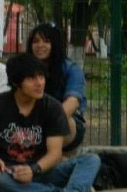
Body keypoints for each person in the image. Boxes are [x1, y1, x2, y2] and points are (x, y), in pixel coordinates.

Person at [0, 54, 106, 192]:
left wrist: (34, 170)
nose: (39, 83)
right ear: (16, 82)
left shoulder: (52, 107)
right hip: (9, 173)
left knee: (91, 159)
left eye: (41, 77)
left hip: (43, 170)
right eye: (31, 78)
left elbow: (55, 153)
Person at [27, 23, 87, 151]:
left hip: (64, 122)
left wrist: (43, 126)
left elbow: (72, 103)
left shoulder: (71, 69)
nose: (40, 45)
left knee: (67, 122)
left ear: (55, 44)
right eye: (36, 41)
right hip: (30, 123)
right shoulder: (24, 70)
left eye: (46, 41)